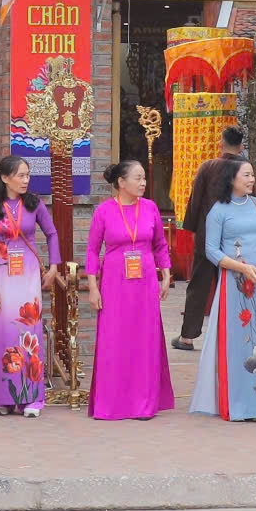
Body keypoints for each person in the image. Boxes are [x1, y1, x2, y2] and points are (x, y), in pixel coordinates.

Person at [83, 158, 174, 420]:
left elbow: (160, 245)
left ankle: (143, 404)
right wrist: (92, 286)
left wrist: (166, 273)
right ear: (121, 182)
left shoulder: (150, 207)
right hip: (114, 282)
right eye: (138, 178)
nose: (143, 183)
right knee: (114, 339)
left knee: (145, 339)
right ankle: (112, 403)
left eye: (144, 178)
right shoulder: (104, 211)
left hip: (145, 281)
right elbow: (92, 250)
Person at [193, 159, 256, 422]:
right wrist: (241, 268)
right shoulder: (219, 211)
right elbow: (211, 250)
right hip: (236, 286)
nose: (252, 179)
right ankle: (243, 404)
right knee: (241, 341)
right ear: (231, 178)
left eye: (252, 174)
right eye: (246, 175)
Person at [0, 155, 62, 416]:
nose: (26, 180)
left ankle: (32, 398)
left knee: (28, 331)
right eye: (20, 175)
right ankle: (3, 398)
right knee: (1, 333)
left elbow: (52, 233)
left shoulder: (34, 204)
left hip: (27, 276)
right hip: (0, 275)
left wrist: (54, 266)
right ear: (4, 178)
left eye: (27, 175)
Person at [175, 126, 248, 351]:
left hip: (208, 237)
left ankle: (187, 337)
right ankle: (237, 336)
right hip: (236, 238)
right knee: (235, 284)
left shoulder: (208, 167)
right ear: (241, 146)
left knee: (199, 285)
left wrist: (193, 229)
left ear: (221, 144)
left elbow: (195, 200)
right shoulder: (244, 170)